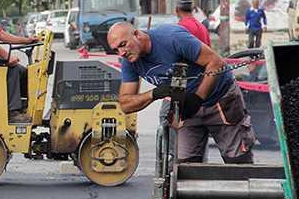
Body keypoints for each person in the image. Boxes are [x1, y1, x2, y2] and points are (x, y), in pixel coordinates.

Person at [107, 21, 255, 164]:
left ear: (137, 34)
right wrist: (155, 93)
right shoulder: (130, 61)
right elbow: (125, 104)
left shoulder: (171, 38)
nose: (121, 53)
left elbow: (215, 62)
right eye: (115, 49)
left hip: (220, 99)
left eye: (123, 44)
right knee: (185, 168)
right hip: (187, 110)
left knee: (238, 163)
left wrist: (198, 98)